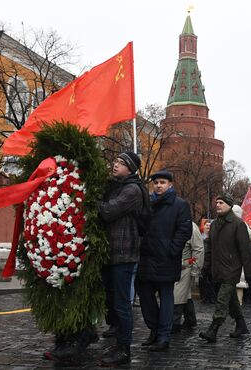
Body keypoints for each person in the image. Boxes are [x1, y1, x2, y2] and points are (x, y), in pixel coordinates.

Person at [97, 152, 146, 366]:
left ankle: (124, 349)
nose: (115, 165)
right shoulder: (118, 186)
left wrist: (91, 200)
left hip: (124, 255)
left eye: (120, 163)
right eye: (115, 161)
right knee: (112, 301)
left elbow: (108, 211)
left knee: (122, 304)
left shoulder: (132, 190)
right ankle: (117, 342)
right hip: (112, 253)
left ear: (130, 168)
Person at [138, 170, 192, 351]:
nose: (158, 185)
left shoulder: (180, 205)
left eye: (162, 182)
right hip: (146, 258)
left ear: (170, 185)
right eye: (156, 183)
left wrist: (172, 250)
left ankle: (163, 337)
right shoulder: (148, 204)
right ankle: (154, 329)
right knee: (145, 297)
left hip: (167, 259)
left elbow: (184, 230)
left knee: (167, 298)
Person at [199, 194, 251, 342]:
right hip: (217, 269)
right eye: (216, 202)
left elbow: (245, 250)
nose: (218, 205)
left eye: (221, 202)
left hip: (232, 270)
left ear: (229, 205)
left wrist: (249, 273)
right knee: (231, 300)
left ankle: (213, 329)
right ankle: (242, 326)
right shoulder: (215, 224)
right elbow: (210, 248)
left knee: (222, 300)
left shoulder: (238, 224)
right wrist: (206, 268)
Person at [172, 222, 204, 333]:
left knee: (178, 294)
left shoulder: (191, 227)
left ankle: (174, 322)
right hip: (173, 265)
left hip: (184, 266)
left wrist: (195, 269)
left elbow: (198, 249)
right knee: (184, 294)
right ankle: (190, 319)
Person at [232, 204, 251, 305]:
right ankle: (238, 306)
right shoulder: (242, 224)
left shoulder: (223, 223)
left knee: (227, 284)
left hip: (225, 258)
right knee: (239, 284)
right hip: (239, 257)